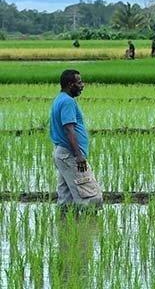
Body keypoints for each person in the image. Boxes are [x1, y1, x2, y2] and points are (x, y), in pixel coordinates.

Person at [49, 70, 103, 211]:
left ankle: (67, 229)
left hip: (63, 154)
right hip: (70, 155)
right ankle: (88, 230)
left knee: (67, 200)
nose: (82, 85)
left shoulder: (60, 98)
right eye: (79, 82)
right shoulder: (67, 102)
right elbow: (69, 129)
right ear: (70, 84)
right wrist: (79, 156)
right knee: (90, 198)